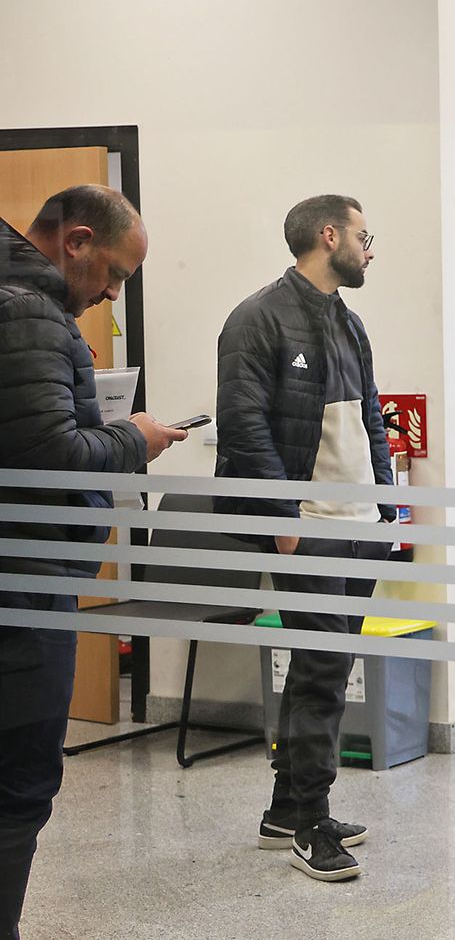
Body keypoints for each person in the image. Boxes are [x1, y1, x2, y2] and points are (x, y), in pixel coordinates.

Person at [0, 186, 187, 939]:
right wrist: (133, 437)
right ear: (75, 241)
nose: (113, 293)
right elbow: (52, 455)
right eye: (113, 272)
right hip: (23, 596)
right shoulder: (29, 314)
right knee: (20, 787)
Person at [215, 194, 393, 883]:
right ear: (328, 236)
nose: (368, 247)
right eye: (361, 234)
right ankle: (312, 821)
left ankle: (286, 807)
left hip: (359, 526)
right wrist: (282, 518)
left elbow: (370, 415)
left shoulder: (347, 321)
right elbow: (243, 422)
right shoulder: (256, 318)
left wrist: (386, 500)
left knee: (326, 664)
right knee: (321, 671)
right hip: (308, 527)